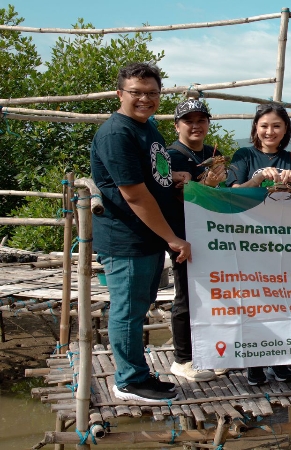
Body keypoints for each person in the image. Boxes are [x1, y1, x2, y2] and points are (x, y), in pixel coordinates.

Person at [91, 62, 191, 402]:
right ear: (120, 94)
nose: (145, 99)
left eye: (152, 93)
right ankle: (129, 381)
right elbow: (134, 194)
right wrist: (172, 238)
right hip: (126, 239)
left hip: (145, 238)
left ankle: (137, 371)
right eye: (136, 92)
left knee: (138, 306)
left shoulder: (146, 128)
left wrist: (173, 176)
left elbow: (152, 174)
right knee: (128, 310)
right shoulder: (117, 133)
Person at [226, 103, 291, 385]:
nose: (270, 131)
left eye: (276, 126)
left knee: (284, 303)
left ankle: (281, 359)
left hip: (285, 245)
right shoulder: (244, 155)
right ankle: (255, 362)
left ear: (286, 129)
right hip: (250, 244)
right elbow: (234, 193)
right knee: (253, 304)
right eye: (264, 126)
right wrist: (259, 177)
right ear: (255, 128)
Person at [167, 99, 228, 382]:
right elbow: (173, 199)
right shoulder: (170, 156)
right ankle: (183, 359)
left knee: (215, 294)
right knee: (186, 297)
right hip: (182, 235)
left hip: (213, 234)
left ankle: (212, 353)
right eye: (188, 120)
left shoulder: (214, 154)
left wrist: (220, 186)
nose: (195, 125)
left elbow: (225, 198)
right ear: (177, 124)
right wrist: (206, 187)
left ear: (208, 124)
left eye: (201, 120)